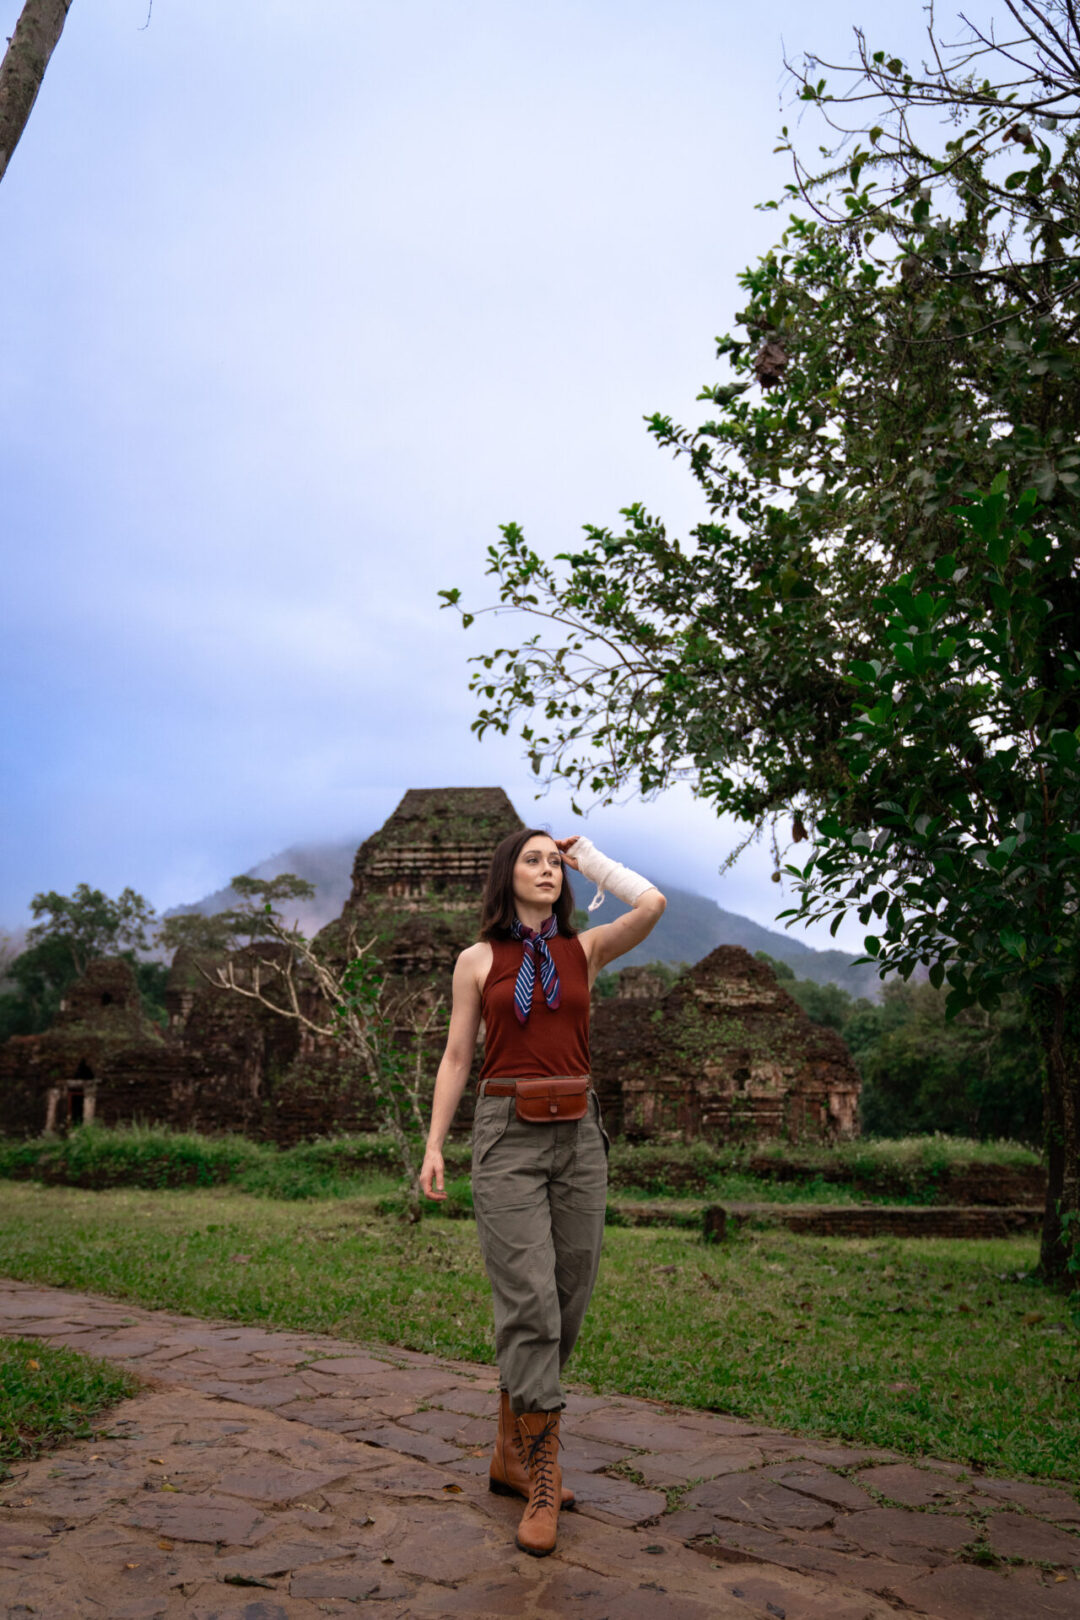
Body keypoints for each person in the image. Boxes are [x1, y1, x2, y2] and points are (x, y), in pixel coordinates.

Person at [419, 827, 665, 1557]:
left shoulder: (583, 950)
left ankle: (508, 1447)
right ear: (506, 876)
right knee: (528, 1300)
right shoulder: (477, 960)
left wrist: (591, 858)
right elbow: (458, 1054)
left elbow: (651, 903)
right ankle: (543, 1470)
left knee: (566, 1296)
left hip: (580, 1133)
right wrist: (435, 1144)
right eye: (533, 860)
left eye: (554, 863)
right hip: (506, 1132)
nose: (547, 870)